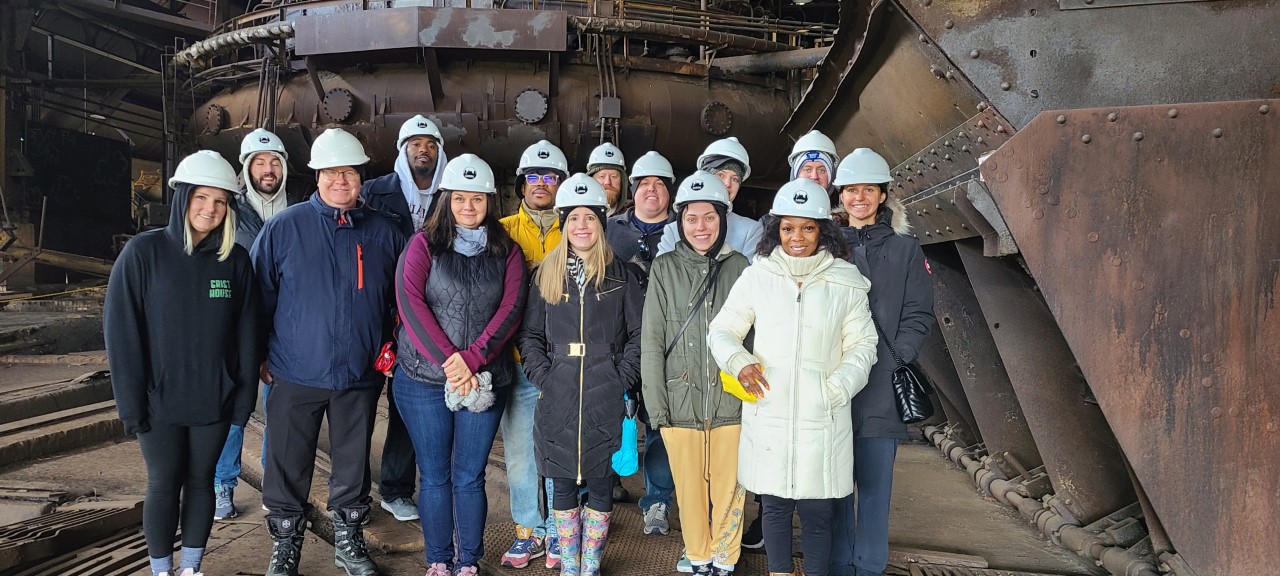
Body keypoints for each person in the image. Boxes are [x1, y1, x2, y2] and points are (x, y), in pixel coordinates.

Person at [707, 178, 878, 576]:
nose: (796, 237)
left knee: (819, 513)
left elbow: (863, 346)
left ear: (824, 231)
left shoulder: (845, 282)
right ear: (776, 231)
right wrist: (738, 361)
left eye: (807, 228)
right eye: (787, 228)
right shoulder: (758, 276)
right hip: (770, 409)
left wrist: (835, 389)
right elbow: (722, 330)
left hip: (824, 414)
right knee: (775, 508)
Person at [254, 128, 407, 576]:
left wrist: (392, 350)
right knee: (286, 461)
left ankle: (349, 540)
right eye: (333, 172)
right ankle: (285, 547)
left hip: (359, 373)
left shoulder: (384, 232)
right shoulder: (285, 227)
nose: (342, 180)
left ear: (361, 177)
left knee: (352, 464)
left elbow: (401, 302)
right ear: (317, 175)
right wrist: (259, 354)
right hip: (294, 369)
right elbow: (260, 297)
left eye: (351, 171)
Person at [105, 150, 261, 576]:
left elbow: (249, 336)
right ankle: (161, 570)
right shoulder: (144, 253)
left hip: (214, 399)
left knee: (200, 482)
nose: (209, 209)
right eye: (201, 198)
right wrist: (131, 405)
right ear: (182, 198)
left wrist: (243, 398)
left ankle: (190, 567)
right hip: (159, 404)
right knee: (163, 483)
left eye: (220, 201)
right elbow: (122, 334)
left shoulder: (235, 262)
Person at [393, 154, 528, 576]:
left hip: (485, 377)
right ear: (446, 200)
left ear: (490, 200)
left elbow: (512, 309)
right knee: (434, 476)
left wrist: (472, 359)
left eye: (478, 199)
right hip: (422, 379)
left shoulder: (507, 250)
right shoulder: (423, 244)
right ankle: (438, 560)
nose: (468, 207)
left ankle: (467, 561)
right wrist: (450, 362)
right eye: (459, 199)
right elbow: (410, 304)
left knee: (469, 476)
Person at [520, 173, 644, 576]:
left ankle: (590, 562)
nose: (581, 226)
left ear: (601, 224)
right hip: (558, 389)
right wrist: (544, 376)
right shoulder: (545, 274)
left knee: (602, 477)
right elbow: (531, 334)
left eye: (589, 218)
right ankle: (568, 565)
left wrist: (622, 376)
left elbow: (640, 333)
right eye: (573, 218)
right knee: (561, 480)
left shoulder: (621, 275)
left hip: (605, 388)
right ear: (564, 223)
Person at [828, 149, 936, 576]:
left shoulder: (907, 249)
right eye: (852, 190)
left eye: (868, 190)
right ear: (841, 194)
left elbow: (919, 312)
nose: (859, 198)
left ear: (883, 195)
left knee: (874, 490)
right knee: (834, 488)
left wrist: (898, 358)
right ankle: (839, 565)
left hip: (881, 387)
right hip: (834, 383)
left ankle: (869, 567)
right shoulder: (827, 248)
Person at [642, 172, 752, 576]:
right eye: (692, 219)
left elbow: (754, 338)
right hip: (678, 399)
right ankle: (700, 558)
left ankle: (725, 561)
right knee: (689, 490)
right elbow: (652, 341)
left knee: (730, 490)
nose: (700, 227)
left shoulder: (740, 267)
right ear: (680, 222)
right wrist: (657, 406)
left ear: (722, 218)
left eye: (709, 217)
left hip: (730, 402)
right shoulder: (664, 268)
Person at [361, 114, 450, 521]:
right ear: (403, 149)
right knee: (359, 403)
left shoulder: (452, 194)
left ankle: (395, 490)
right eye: (415, 143)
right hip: (377, 308)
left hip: (425, 313)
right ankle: (354, 490)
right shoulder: (374, 193)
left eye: (430, 143)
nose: (423, 149)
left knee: (407, 406)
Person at [214, 128, 296, 521]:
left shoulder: (299, 212)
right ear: (246, 169)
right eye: (260, 163)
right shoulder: (228, 214)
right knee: (232, 413)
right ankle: (222, 486)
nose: (268, 169)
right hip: (236, 332)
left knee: (278, 415)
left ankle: (272, 485)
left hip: (283, 334)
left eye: (275, 162)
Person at [498, 139, 570, 569]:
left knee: (561, 448)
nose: (541, 184)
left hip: (565, 361)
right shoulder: (503, 229)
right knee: (522, 450)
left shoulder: (580, 227)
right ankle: (529, 530)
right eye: (534, 178)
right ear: (522, 184)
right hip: (519, 360)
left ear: (561, 184)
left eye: (550, 177)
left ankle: (561, 530)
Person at [656, 137, 764, 261]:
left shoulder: (751, 231)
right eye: (721, 175)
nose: (727, 184)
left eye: (735, 179)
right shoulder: (673, 231)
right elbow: (663, 275)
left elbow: (751, 278)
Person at [606, 150, 674, 273]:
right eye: (644, 183)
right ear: (634, 191)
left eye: (660, 184)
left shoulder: (683, 231)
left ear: (669, 192)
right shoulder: (608, 228)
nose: (652, 189)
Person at [586, 142, 628, 216]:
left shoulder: (631, 218)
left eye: (613, 176)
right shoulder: (575, 216)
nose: (607, 182)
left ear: (622, 182)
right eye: (602, 176)